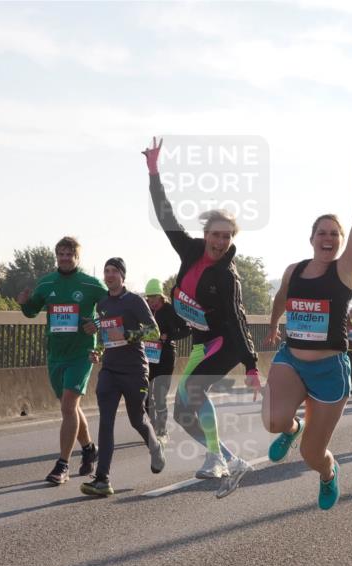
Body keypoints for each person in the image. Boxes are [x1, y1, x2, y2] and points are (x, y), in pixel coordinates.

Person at [142, 136, 262, 498]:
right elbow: (166, 217)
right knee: (181, 413)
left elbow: (239, 321)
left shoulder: (228, 276)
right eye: (215, 234)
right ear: (205, 233)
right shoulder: (191, 250)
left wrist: (251, 365)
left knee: (195, 390)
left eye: (227, 237)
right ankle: (229, 458)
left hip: (222, 341)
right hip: (200, 342)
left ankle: (216, 457)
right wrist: (153, 172)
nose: (220, 242)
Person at [263, 142, 352, 510]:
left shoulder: (343, 271)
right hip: (291, 360)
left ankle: (329, 474)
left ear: (340, 243)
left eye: (334, 234)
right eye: (321, 233)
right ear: (311, 238)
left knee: (312, 456)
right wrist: (273, 323)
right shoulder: (294, 270)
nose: (327, 238)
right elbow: (281, 297)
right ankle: (291, 428)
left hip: (329, 369)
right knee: (273, 421)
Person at [17, 237, 108, 485]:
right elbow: (32, 311)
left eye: (70, 254)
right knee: (72, 408)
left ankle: (62, 465)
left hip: (81, 354)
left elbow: (113, 309)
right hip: (56, 354)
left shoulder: (91, 284)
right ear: (56, 256)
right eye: (61, 254)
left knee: (68, 407)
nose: (65, 258)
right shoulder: (47, 282)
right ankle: (89, 448)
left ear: (78, 257)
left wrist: (98, 325)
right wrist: (25, 303)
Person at [81, 259, 166, 496]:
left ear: (122, 276)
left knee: (136, 419)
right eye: (106, 271)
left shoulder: (135, 301)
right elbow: (107, 336)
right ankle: (102, 479)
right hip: (109, 370)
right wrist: (97, 351)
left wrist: (127, 334)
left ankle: (155, 446)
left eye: (113, 271)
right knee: (106, 423)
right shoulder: (103, 303)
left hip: (134, 370)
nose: (109, 275)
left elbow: (154, 331)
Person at [143, 278, 191, 442]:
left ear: (161, 297)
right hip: (149, 355)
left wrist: (168, 336)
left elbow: (187, 329)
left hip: (166, 355)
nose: (152, 302)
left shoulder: (170, 310)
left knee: (160, 394)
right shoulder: (145, 309)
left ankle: (162, 430)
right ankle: (152, 426)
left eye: (155, 298)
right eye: (149, 298)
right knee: (146, 394)